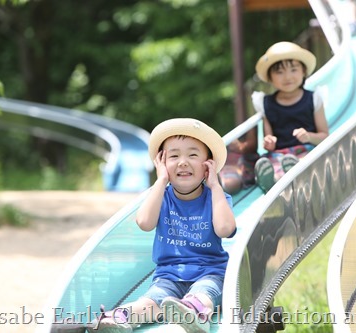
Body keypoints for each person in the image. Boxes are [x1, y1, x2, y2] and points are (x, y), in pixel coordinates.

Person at [89, 118, 237, 333]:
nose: (183, 162)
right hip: (168, 275)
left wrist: (214, 185)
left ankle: (195, 313)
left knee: (204, 294)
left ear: (208, 165)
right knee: (151, 301)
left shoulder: (217, 198)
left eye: (193, 155)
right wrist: (160, 181)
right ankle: (122, 317)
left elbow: (225, 229)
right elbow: (144, 223)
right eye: (174, 156)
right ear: (162, 163)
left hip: (210, 272)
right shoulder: (162, 197)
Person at [252, 41, 329, 193]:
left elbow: (325, 136)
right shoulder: (265, 103)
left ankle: (292, 173)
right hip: (279, 154)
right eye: (279, 72)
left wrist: (309, 137)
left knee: (305, 161)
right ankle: (271, 181)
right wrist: (269, 142)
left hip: (305, 150)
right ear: (270, 77)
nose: (287, 77)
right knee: (272, 163)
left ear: (303, 72)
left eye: (294, 70)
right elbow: (269, 140)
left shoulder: (313, 99)